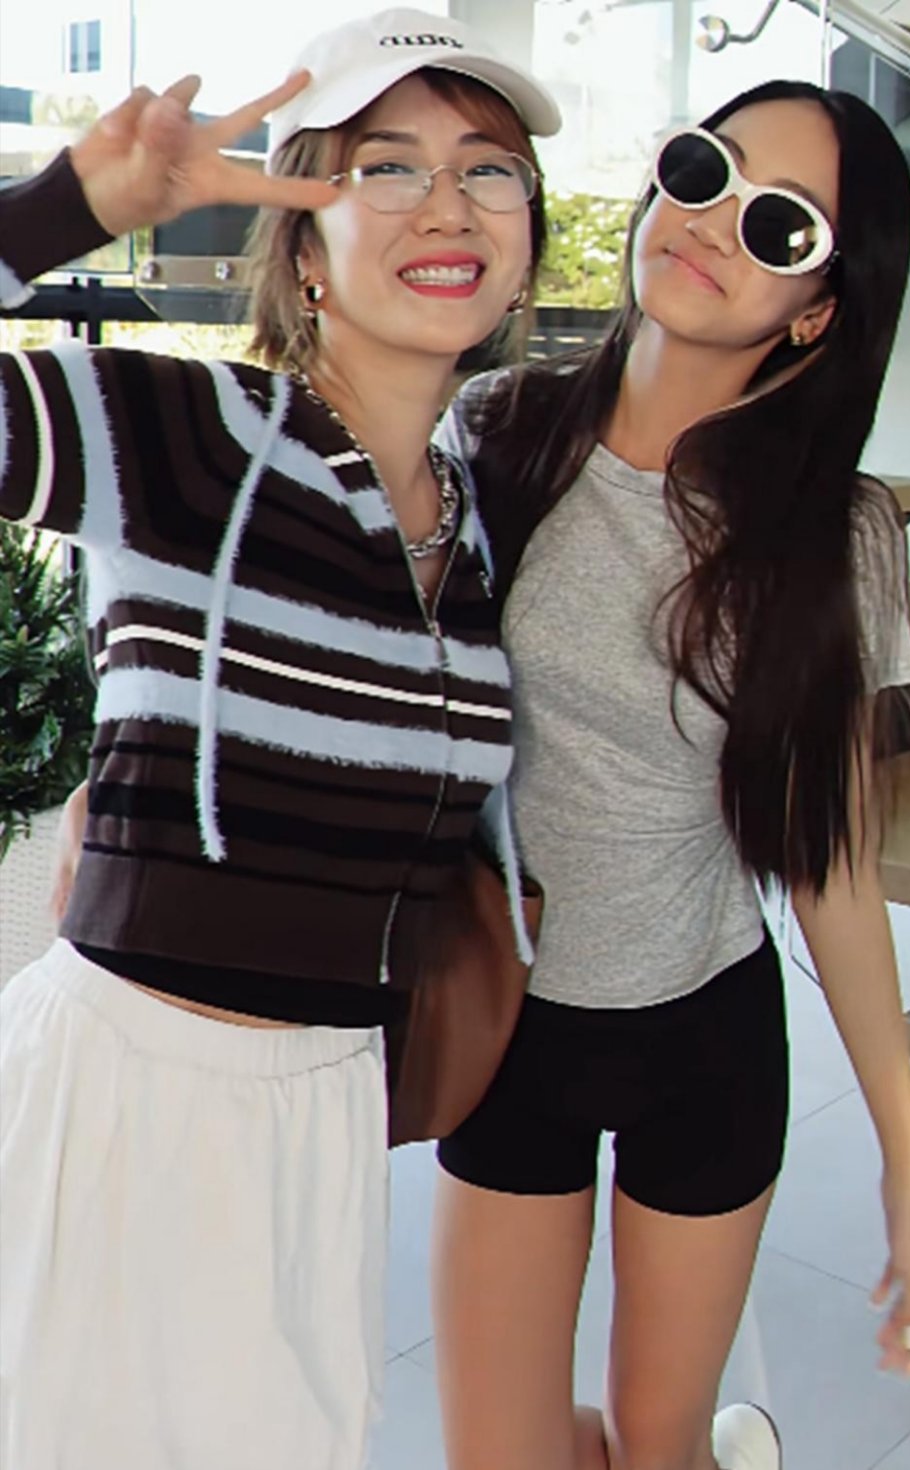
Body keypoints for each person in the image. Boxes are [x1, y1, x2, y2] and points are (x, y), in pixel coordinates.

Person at [0, 9, 558, 1467]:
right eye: (390, 166)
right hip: (133, 1098)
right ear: (305, 247)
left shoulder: (476, 521)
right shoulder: (191, 433)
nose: (448, 205)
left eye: (489, 169)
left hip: (326, 1115)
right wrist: (66, 208)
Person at [430, 80, 910, 1470]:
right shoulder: (496, 430)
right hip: (506, 1020)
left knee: (659, 1446)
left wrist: (906, 1151)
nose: (714, 221)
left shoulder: (835, 536)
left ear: (819, 311)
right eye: (704, 169)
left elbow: (832, 863)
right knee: (501, 1454)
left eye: (780, 225)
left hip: (704, 1032)